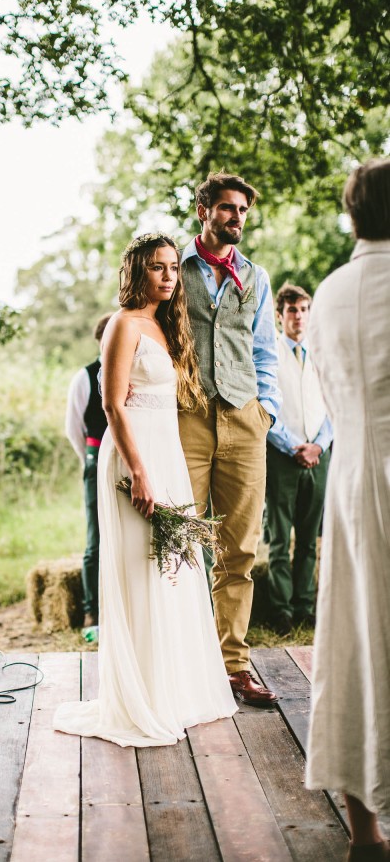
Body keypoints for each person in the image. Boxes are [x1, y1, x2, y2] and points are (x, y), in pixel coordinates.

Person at [54, 233, 237, 746]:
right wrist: (139, 471)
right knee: (141, 567)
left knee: (173, 571)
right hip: (133, 456)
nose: (168, 277)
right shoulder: (122, 325)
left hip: (167, 452)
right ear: (136, 271)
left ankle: (174, 689)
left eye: (174, 268)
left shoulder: (161, 324)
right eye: (157, 267)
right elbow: (113, 405)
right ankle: (143, 696)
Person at [306, 158, 390, 861]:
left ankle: (365, 832)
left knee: (355, 642)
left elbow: (332, 399)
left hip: (352, 481)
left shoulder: (328, 293)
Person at [179, 171, 282, 708]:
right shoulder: (173, 267)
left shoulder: (256, 277)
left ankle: (234, 665)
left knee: (239, 549)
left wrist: (267, 411)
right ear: (204, 211)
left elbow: (265, 349)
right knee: (180, 545)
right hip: (188, 417)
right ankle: (180, 664)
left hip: (245, 419)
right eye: (226, 208)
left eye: (241, 210)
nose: (235, 218)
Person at [265, 283, 332, 636]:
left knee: (309, 538)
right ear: (280, 315)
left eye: (304, 310)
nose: (299, 316)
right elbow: (266, 408)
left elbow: (334, 401)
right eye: (292, 310)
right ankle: (281, 610)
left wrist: (319, 445)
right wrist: (293, 446)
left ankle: (305, 606)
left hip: (319, 454)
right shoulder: (270, 353)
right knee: (279, 537)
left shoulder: (321, 353)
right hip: (282, 454)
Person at [65, 313, 111, 639]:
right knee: (95, 539)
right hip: (96, 459)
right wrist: (90, 461)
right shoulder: (85, 377)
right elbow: (73, 429)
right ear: (100, 339)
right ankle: (91, 611)